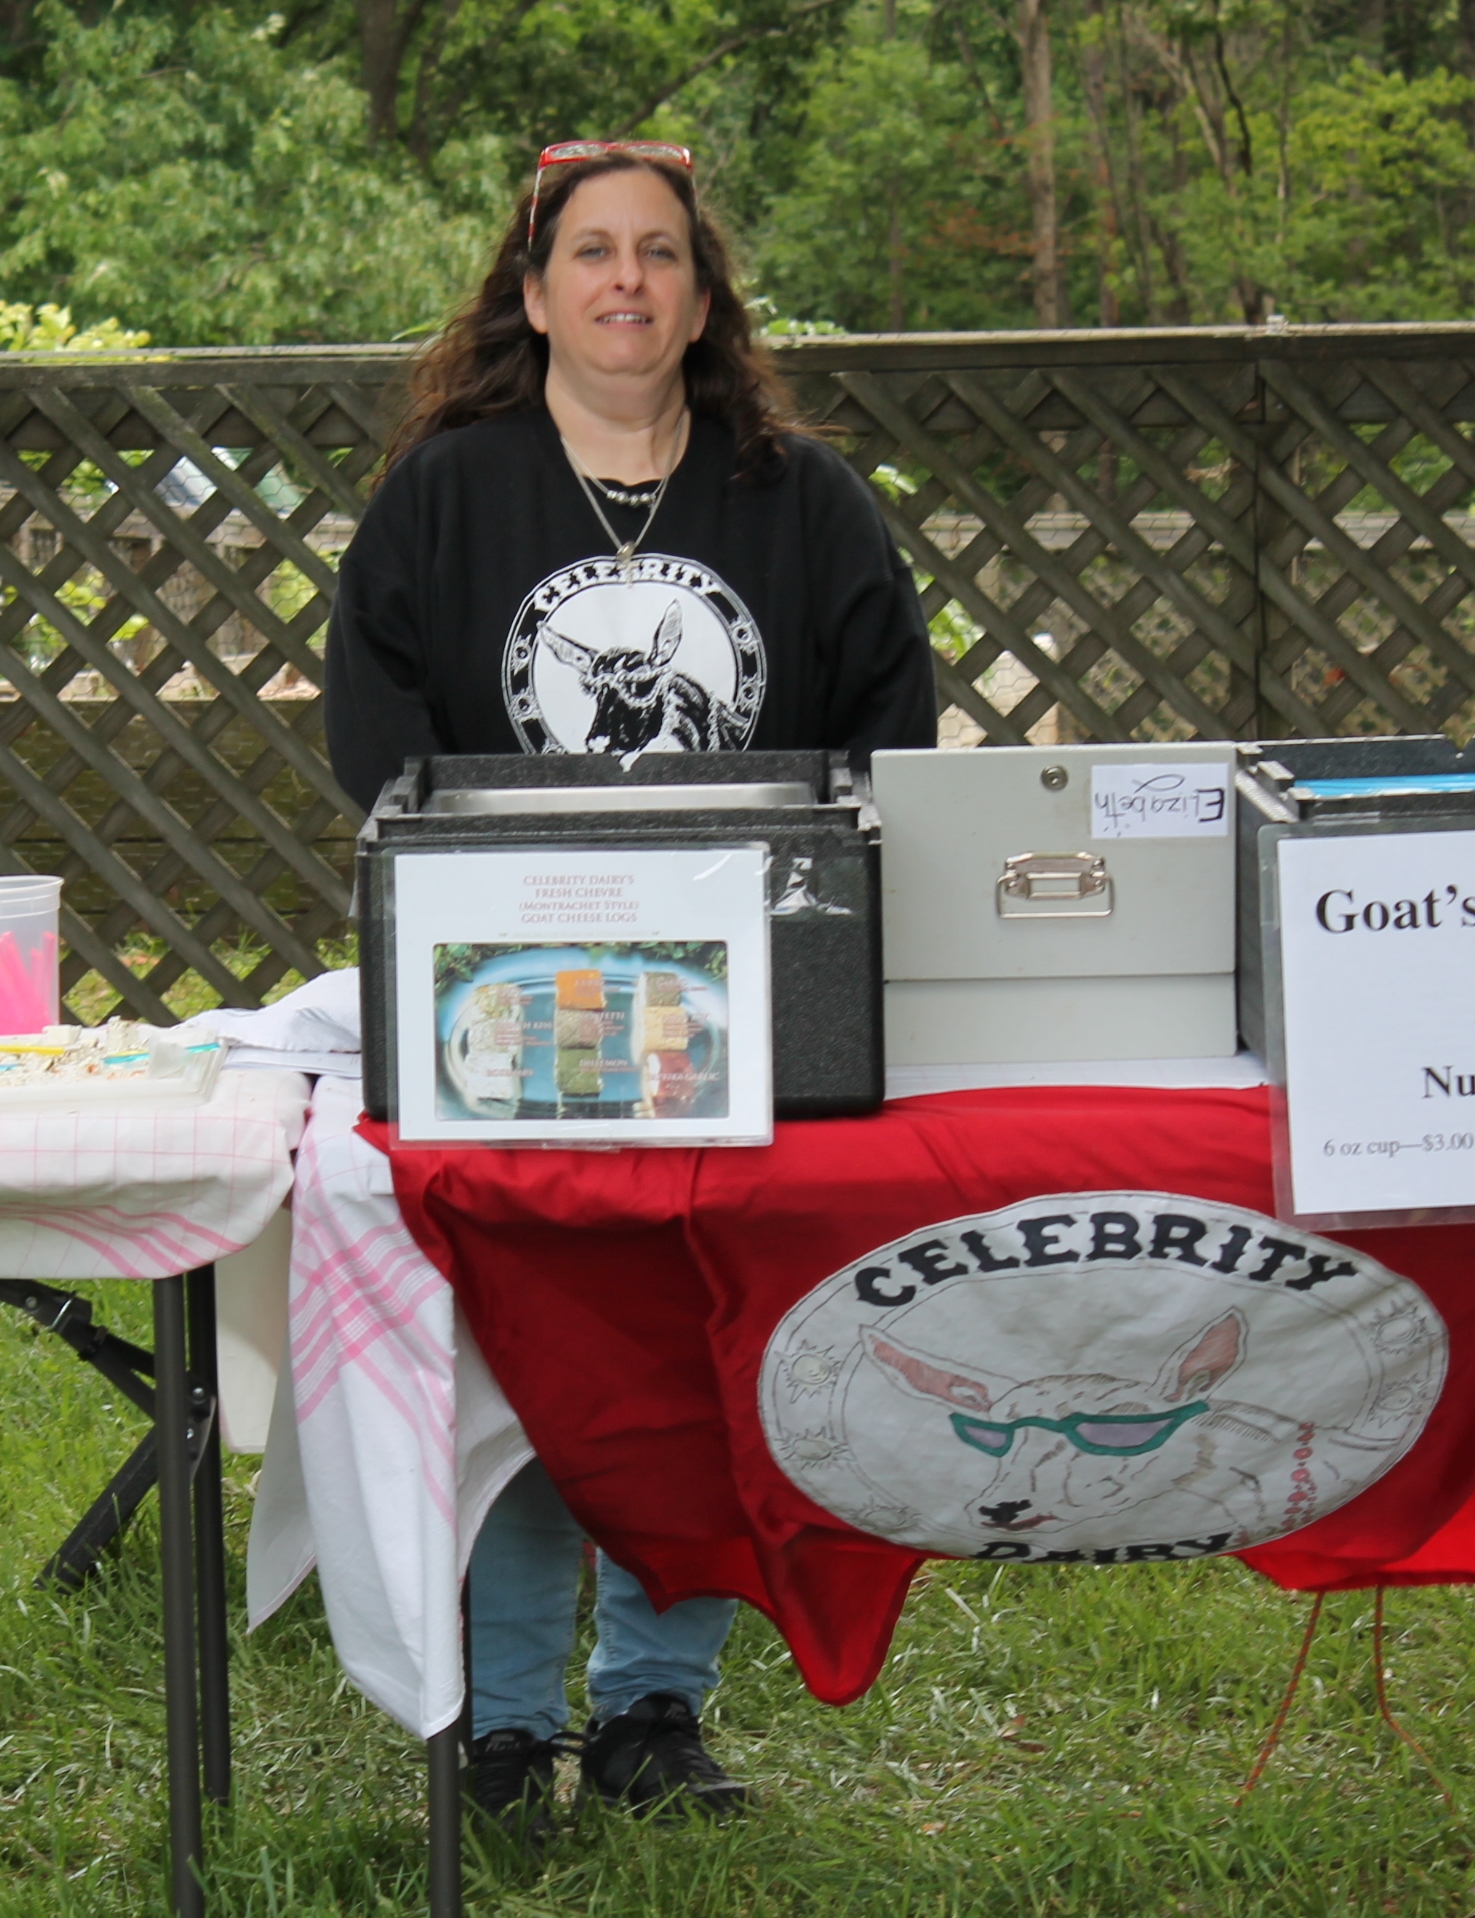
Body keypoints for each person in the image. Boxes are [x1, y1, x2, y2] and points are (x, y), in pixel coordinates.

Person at [321, 140, 939, 1829]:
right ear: (531, 295)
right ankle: (505, 1726)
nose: (625, 282)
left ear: (701, 292)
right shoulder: (449, 494)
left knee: (691, 1352)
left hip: (750, 1004)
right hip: (507, 1000)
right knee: (534, 1356)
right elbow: (374, 741)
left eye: (659, 253)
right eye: (589, 253)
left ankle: (656, 1710)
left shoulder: (799, 498)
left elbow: (893, 732)